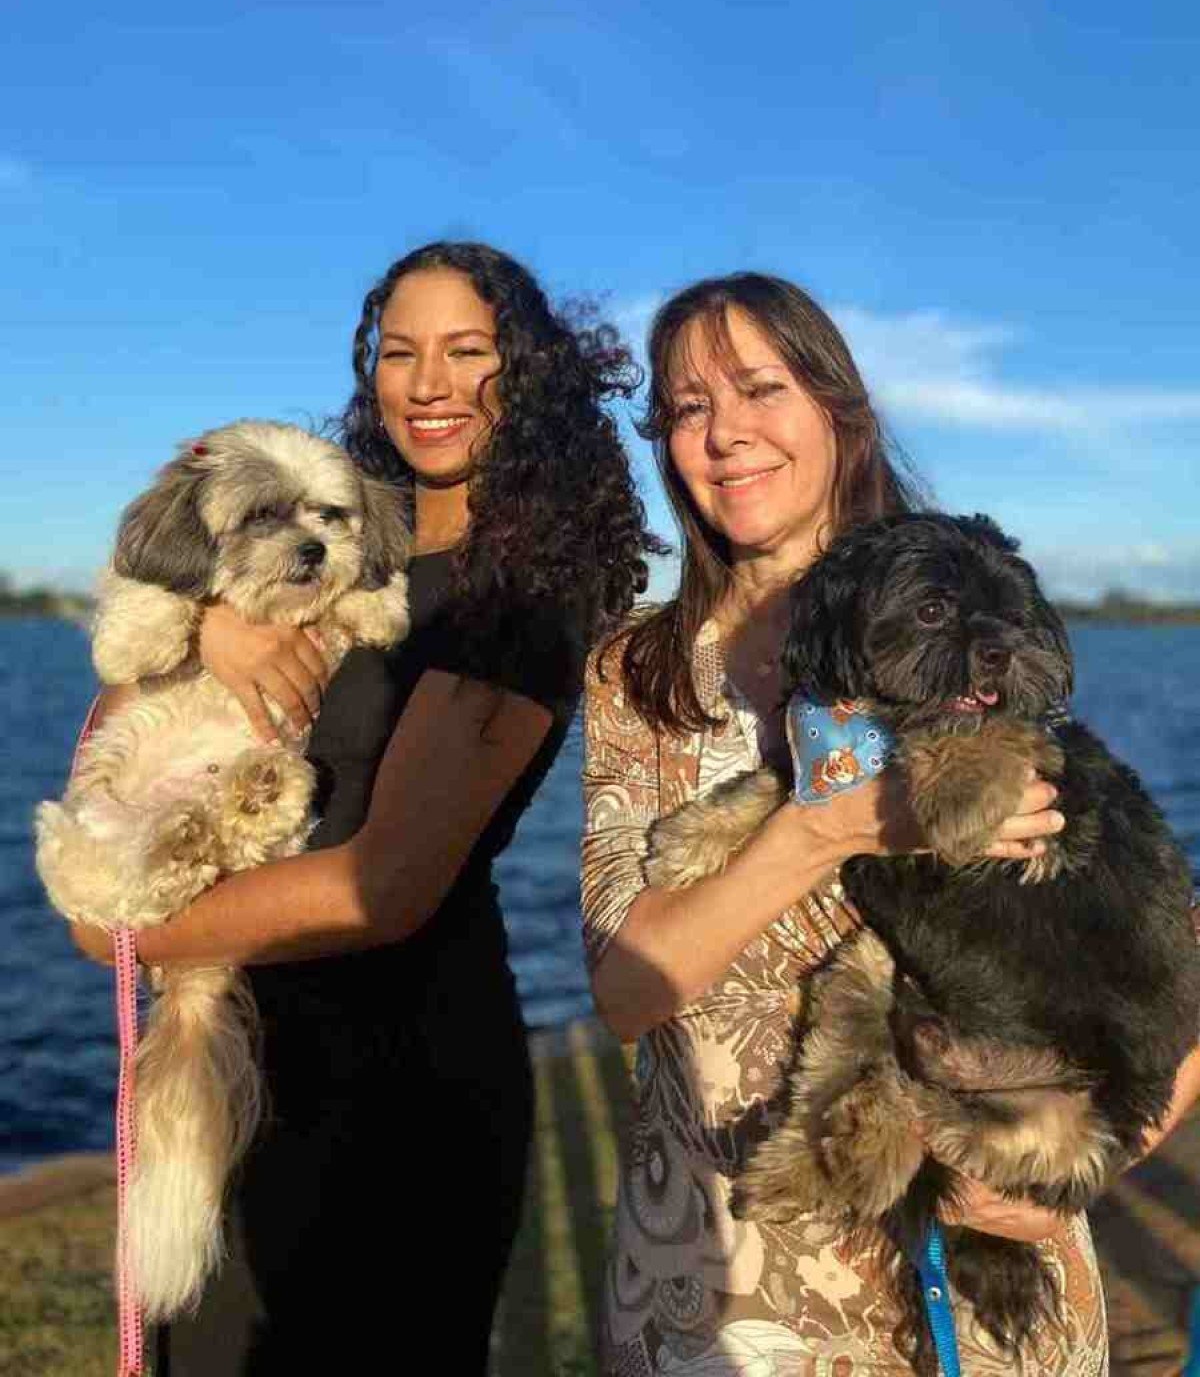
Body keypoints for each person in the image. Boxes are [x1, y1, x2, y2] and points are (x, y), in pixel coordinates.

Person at [580, 272, 1200, 1375]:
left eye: (761, 389)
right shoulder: (641, 673)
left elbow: (1172, 940)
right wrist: (830, 827)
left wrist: (1091, 1156)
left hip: (990, 1251)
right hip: (726, 1276)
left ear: (838, 411)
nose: (725, 434)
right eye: (687, 407)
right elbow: (629, 993)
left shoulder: (958, 608)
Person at [73, 241, 661, 1373]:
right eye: (400, 352)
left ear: (527, 372)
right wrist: (209, 619)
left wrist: (122, 930)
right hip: (246, 1047)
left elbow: (382, 886)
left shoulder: (518, 589)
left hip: (393, 1089)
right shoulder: (329, 540)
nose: (427, 383)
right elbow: (129, 713)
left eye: (467, 351)